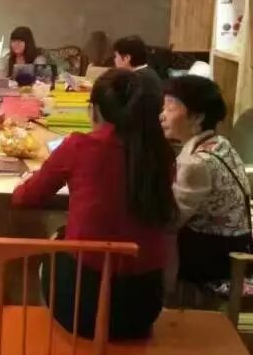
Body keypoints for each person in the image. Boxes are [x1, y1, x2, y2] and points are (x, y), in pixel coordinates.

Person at [12, 69, 177, 340]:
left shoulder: (79, 146)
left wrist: (26, 182)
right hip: (144, 306)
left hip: (82, 307)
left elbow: (25, 198)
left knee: (55, 241)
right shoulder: (161, 153)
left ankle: (54, 345)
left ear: (95, 110)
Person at [160, 75, 251, 284]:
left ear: (197, 117)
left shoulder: (197, 164)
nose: (161, 116)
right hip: (233, 245)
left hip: (216, 258)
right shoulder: (219, 142)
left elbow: (171, 221)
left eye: (170, 108)